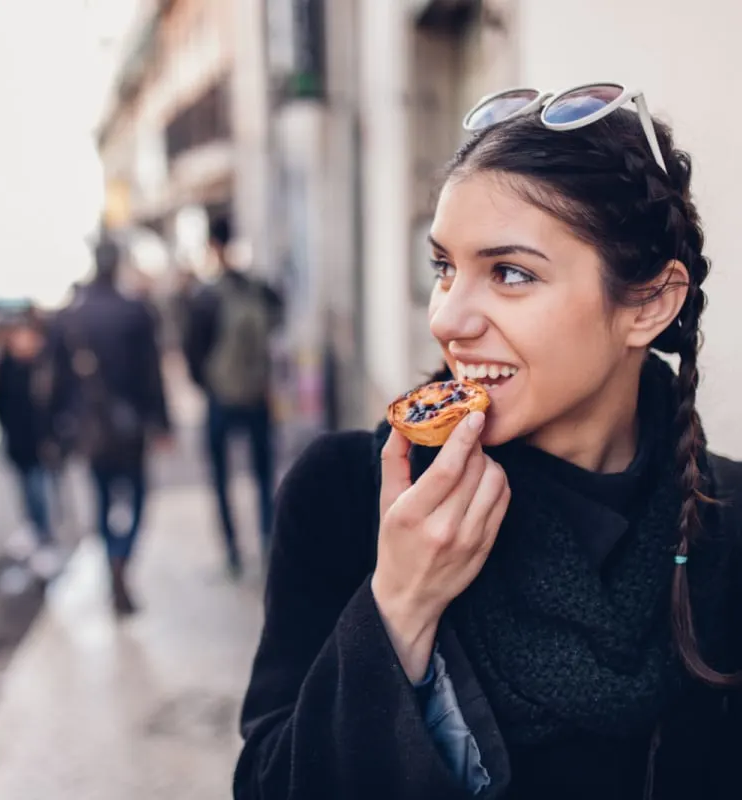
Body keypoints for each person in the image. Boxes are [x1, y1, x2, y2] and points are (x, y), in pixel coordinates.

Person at [234, 86, 742, 800]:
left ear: (650, 304)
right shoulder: (347, 496)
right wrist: (398, 608)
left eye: (509, 273)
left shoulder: (725, 525)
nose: (449, 318)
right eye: (444, 267)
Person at [50, 236, 171, 615]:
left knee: (102, 499)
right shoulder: (135, 311)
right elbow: (152, 373)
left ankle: (112, 560)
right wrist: (163, 422)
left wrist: (59, 427)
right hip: (129, 424)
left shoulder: (71, 315)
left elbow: (57, 382)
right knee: (136, 498)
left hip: (90, 427)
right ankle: (122, 558)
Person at [183, 217, 283, 577]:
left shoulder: (205, 297)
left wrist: (207, 384)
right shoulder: (257, 289)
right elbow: (278, 317)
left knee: (221, 477)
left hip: (221, 399)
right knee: (263, 474)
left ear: (212, 246)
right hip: (257, 395)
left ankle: (232, 552)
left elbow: (191, 352)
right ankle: (269, 541)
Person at [0, 308, 62, 579]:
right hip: (18, 441)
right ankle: (36, 529)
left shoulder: (41, 367)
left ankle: (45, 534)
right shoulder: (5, 368)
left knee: (39, 487)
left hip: (38, 442)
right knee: (27, 488)